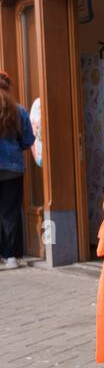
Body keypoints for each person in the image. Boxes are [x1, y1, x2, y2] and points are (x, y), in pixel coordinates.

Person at [0, 71, 36, 269]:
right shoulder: (19, 111)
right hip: (13, 169)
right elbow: (28, 141)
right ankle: (11, 257)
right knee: (10, 212)